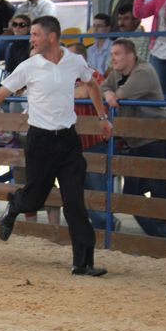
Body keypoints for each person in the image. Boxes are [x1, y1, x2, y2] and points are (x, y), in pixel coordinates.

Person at [0, 16, 111, 276]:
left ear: (51, 37)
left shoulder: (74, 61)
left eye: (35, 34)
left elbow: (92, 84)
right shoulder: (28, 67)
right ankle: (15, 205)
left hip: (68, 141)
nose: (31, 39)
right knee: (34, 198)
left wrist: (102, 117)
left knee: (75, 201)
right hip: (39, 141)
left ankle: (83, 262)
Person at [101, 39, 166, 239]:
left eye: (117, 54)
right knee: (134, 195)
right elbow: (103, 86)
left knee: (158, 191)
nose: (113, 58)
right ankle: (163, 235)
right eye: (112, 54)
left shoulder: (144, 72)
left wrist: (111, 94)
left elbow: (123, 94)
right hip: (138, 140)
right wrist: (109, 93)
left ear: (130, 55)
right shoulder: (119, 72)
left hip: (155, 139)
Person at [67, 43, 120, 232]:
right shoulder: (64, 76)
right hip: (73, 143)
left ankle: (107, 228)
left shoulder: (93, 74)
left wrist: (62, 93)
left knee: (96, 190)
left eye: (69, 55)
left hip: (93, 142)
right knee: (79, 191)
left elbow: (85, 91)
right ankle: (99, 229)